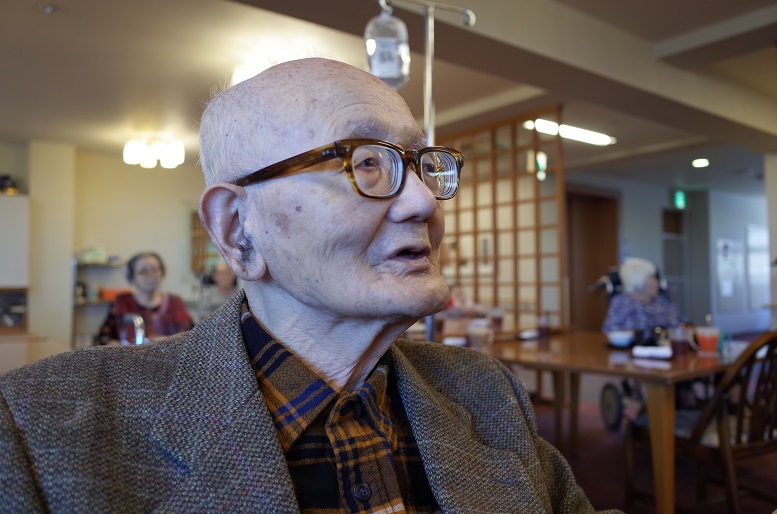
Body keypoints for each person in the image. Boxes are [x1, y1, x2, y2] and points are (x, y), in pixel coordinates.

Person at [0, 58, 619, 513]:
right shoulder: (39, 427)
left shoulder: (486, 390)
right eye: (366, 162)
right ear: (237, 229)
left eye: (421, 165)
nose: (424, 202)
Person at [95, 251, 193, 345]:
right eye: (143, 272)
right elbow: (104, 337)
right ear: (132, 278)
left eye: (155, 270)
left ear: (162, 273)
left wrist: (164, 342)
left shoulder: (175, 302)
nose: (151, 275)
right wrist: (117, 346)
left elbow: (193, 335)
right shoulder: (122, 302)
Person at [602, 257, 683, 334]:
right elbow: (609, 330)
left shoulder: (662, 301)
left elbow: (681, 325)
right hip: (634, 344)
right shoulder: (621, 302)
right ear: (638, 280)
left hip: (666, 343)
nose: (657, 282)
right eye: (653, 277)